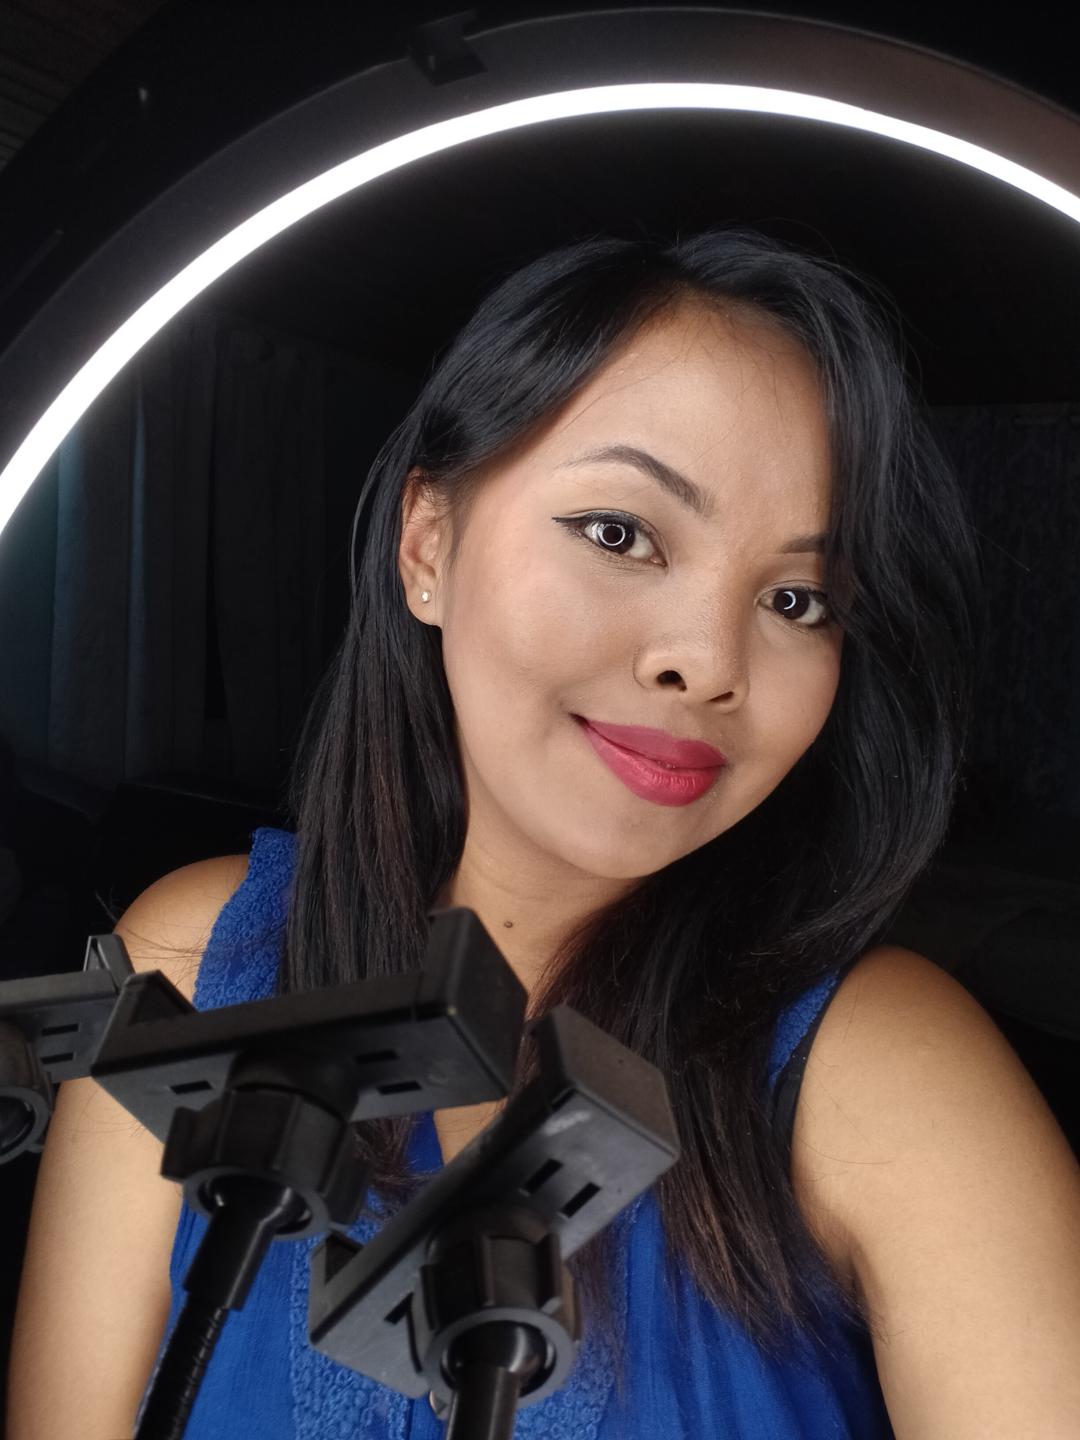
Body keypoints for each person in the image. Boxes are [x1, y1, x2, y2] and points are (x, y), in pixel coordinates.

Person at [9, 228, 1080, 1439]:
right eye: (621, 533)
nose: (707, 663)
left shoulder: (885, 1070)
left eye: (797, 600)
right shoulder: (198, 966)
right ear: (428, 543)